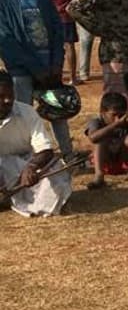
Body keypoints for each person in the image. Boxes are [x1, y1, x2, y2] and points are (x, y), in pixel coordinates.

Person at [0, 0, 73, 157]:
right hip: (21, 69)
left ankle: (68, 153)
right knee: (22, 113)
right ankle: (26, 157)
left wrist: (56, 64)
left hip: (50, 65)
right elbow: (7, 39)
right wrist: (34, 68)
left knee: (57, 109)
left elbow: (56, 28)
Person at [0, 71, 71, 215]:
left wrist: (31, 167)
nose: (8, 100)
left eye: (10, 95)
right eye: (1, 96)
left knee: (54, 176)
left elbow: (45, 150)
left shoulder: (27, 112)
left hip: (26, 163)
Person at [32, 0, 81, 86]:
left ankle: (47, 75)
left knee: (45, 47)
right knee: (69, 45)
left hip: (43, 17)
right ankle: (73, 77)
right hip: (65, 15)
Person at [66, 0, 104, 84]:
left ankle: (84, 73)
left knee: (85, 42)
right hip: (101, 11)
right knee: (105, 41)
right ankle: (108, 69)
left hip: (86, 12)